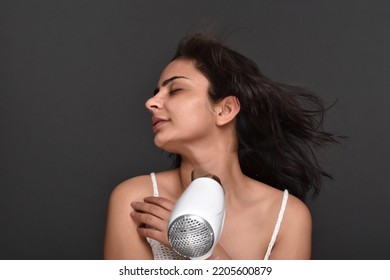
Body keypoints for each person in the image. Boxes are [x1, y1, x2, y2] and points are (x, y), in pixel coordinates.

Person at [103, 33, 338, 260]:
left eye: (175, 90)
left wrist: (201, 248)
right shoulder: (137, 199)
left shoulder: (287, 216)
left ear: (225, 110)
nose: (151, 102)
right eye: (156, 93)